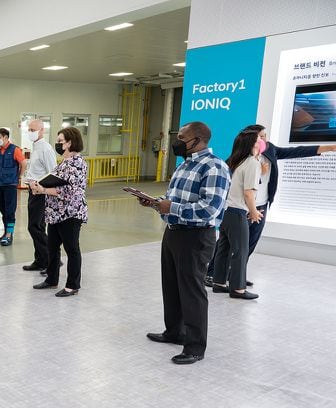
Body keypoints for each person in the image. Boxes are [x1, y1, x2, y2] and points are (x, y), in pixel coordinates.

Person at [139, 121, 231, 365]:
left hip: (196, 237)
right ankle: (174, 332)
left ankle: (195, 346)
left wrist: (172, 207)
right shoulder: (183, 166)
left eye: (181, 137)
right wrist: (155, 202)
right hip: (173, 232)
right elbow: (172, 199)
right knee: (171, 286)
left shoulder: (215, 167)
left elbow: (210, 208)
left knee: (192, 292)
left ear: (198, 139)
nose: (176, 141)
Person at [204, 124, 336, 286]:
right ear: (251, 139)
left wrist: (330, 147)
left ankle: (235, 275)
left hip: (261, 205)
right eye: (261, 136)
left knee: (249, 244)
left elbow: (295, 152)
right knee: (229, 243)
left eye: (265, 136)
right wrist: (261, 173)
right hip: (241, 207)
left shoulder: (270, 150)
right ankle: (212, 274)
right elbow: (236, 182)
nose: (265, 139)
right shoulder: (240, 158)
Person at [30, 127, 88, 297]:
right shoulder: (64, 162)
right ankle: (51, 279)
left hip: (70, 213)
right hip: (56, 213)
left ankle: (72, 285)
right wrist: (38, 186)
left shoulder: (77, 163)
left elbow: (69, 191)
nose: (58, 144)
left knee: (72, 249)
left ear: (70, 142)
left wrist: (43, 190)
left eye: (60, 141)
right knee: (52, 247)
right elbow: (54, 182)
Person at [210, 130, 263, 299]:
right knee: (240, 251)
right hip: (238, 212)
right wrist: (254, 212)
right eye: (258, 139)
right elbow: (248, 193)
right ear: (251, 144)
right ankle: (238, 289)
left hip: (226, 212)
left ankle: (218, 283)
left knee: (224, 249)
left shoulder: (235, 162)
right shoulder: (252, 163)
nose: (261, 141)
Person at [22, 119, 57, 272]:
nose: (30, 132)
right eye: (29, 129)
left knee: (34, 227)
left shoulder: (45, 149)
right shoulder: (35, 147)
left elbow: (52, 173)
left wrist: (42, 189)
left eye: (33, 129)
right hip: (33, 190)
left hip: (40, 192)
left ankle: (51, 259)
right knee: (39, 227)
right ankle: (41, 259)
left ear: (42, 130)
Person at [0, 128, 27, 246]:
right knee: (3, 211)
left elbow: (23, 163)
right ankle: (6, 233)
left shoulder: (15, 149)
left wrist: (19, 176)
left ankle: (9, 235)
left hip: (10, 185)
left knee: (10, 211)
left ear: (6, 138)